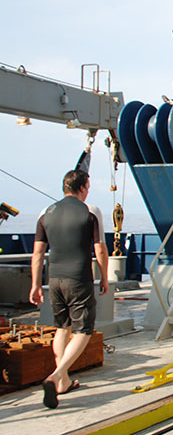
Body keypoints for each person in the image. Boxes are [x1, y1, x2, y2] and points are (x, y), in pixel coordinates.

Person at [29, 169, 109, 409]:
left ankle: (63, 382)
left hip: (54, 280)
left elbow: (38, 253)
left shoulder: (45, 213)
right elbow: (100, 250)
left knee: (61, 328)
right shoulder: (90, 212)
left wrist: (35, 284)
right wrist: (104, 277)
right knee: (83, 331)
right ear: (83, 187)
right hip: (79, 279)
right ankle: (57, 374)